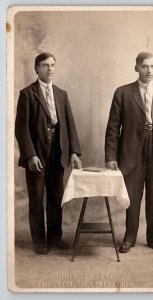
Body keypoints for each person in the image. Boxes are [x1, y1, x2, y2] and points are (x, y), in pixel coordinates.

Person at [105, 52, 153, 254]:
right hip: (131, 151)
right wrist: (111, 157)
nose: (149, 71)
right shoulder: (122, 92)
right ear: (136, 67)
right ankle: (129, 238)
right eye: (145, 66)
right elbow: (113, 127)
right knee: (133, 197)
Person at [15, 52, 82, 254]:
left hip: (57, 153)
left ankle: (55, 237)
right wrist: (30, 155)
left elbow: (70, 124)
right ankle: (39, 241)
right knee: (36, 198)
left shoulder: (61, 94)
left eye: (52, 65)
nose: (50, 69)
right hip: (37, 154)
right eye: (45, 65)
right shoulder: (27, 94)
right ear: (37, 68)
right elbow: (21, 129)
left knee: (55, 197)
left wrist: (74, 152)